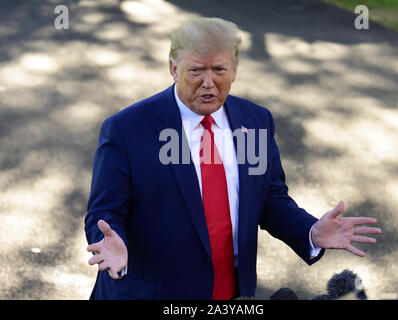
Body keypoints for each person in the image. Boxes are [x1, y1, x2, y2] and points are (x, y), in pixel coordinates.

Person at [85, 17, 381, 300]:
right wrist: (113, 245)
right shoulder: (126, 128)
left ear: (235, 70)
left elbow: (272, 202)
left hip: (233, 294)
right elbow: (105, 212)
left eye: (219, 69)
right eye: (196, 70)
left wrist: (311, 231)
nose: (208, 82)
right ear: (174, 68)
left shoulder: (256, 121)